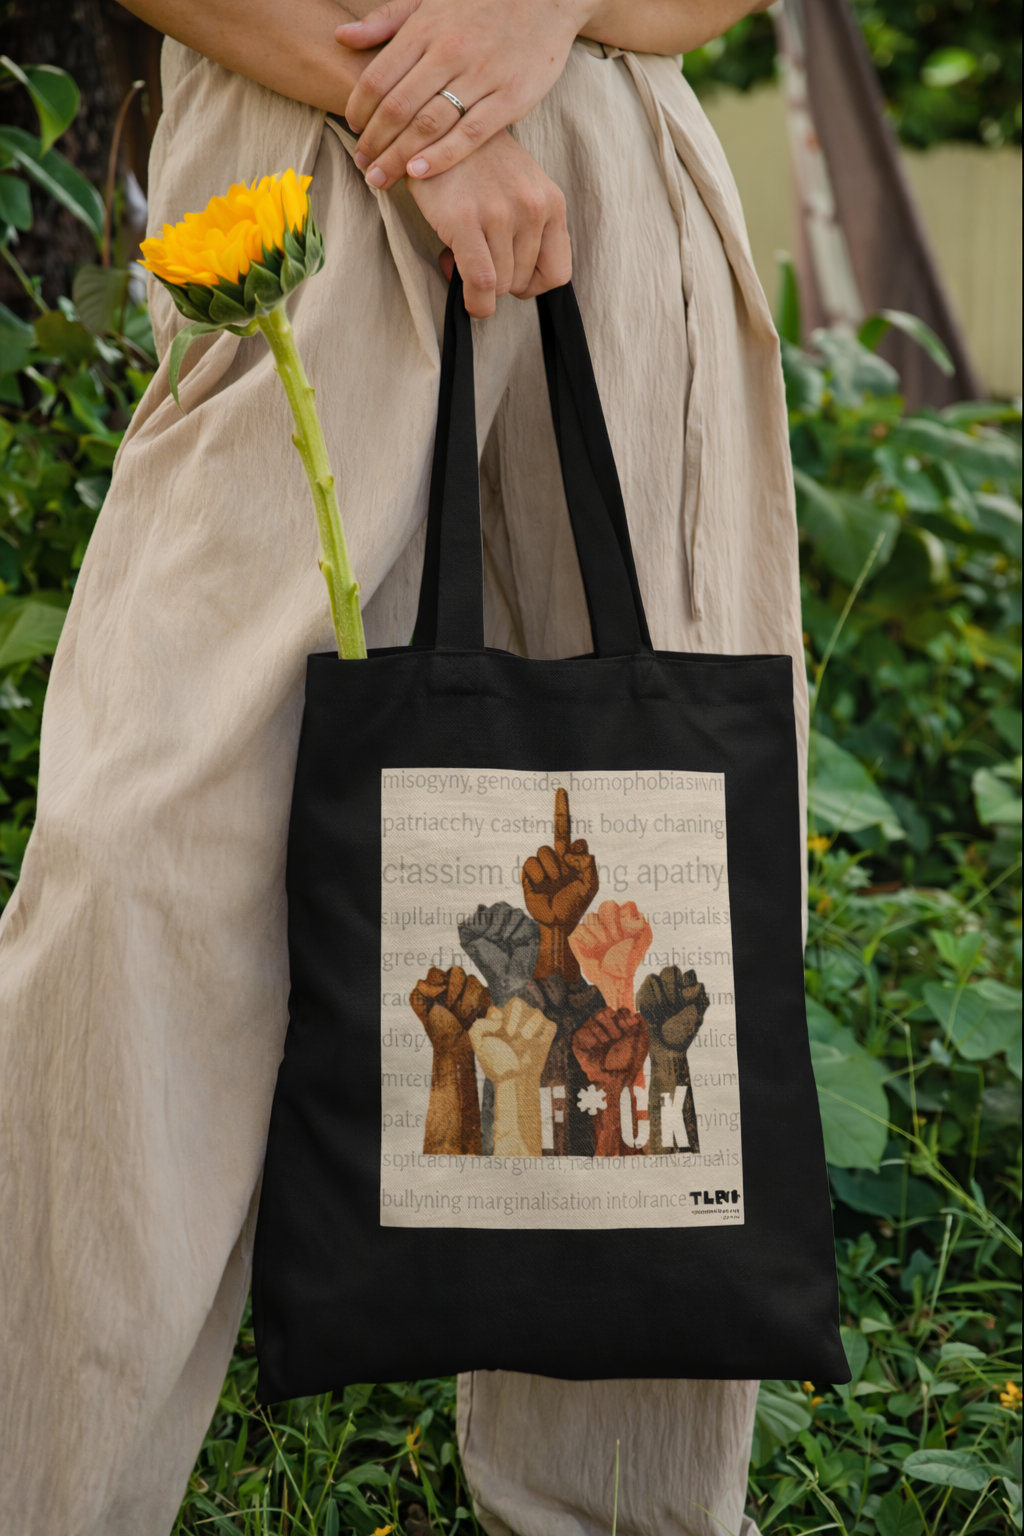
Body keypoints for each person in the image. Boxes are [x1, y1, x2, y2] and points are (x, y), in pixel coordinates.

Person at [0, 1, 806, 1532]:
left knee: (638, 906)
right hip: (295, 173)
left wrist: (542, 9)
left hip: (618, 194)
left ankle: (618, 1508)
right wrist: (434, 117)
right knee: (135, 873)